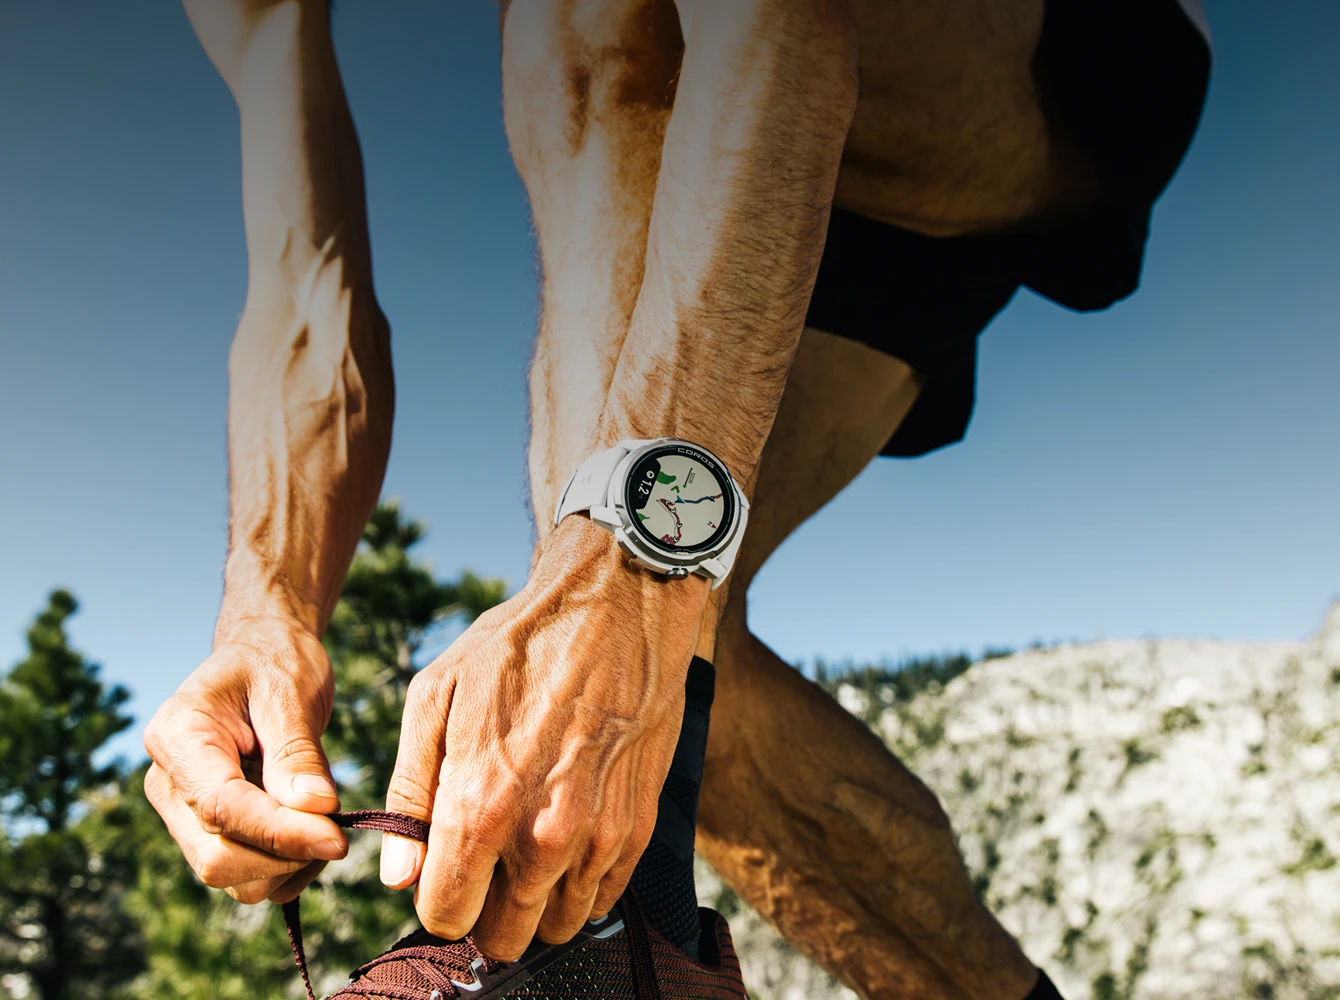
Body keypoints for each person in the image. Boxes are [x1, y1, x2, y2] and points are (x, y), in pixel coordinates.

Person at [143, 0, 1211, 997]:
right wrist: (266, 616)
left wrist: (630, 569)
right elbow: (307, 283)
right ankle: (621, 938)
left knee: (592, 16)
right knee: (681, 716)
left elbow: (771, 22)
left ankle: (577, 956)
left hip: (1024, 56)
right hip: (741, 165)